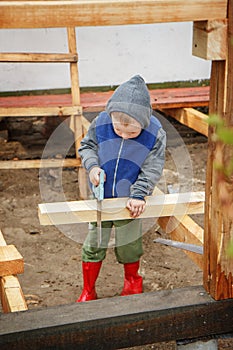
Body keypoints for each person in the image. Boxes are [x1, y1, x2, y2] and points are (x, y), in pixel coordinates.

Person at [77, 75, 166, 302]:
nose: (125, 135)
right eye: (119, 130)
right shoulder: (101, 122)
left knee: (129, 245)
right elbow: (87, 146)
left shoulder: (155, 133)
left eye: (132, 133)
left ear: (144, 124)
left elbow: (152, 167)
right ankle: (89, 289)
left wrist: (139, 193)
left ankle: (132, 282)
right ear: (111, 117)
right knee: (94, 244)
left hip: (130, 201)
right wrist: (92, 166)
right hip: (101, 197)